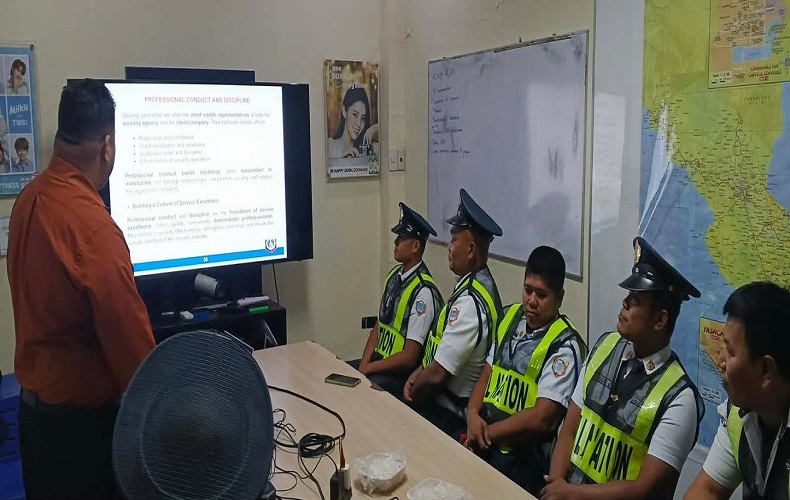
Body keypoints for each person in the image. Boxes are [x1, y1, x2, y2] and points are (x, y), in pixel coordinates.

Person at [7, 79, 155, 498]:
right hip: (83, 440)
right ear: (107, 147)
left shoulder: (27, 201)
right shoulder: (95, 232)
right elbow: (137, 363)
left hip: (34, 424)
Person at [543, 237, 704, 500]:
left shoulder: (678, 398)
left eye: (636, 299)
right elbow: (569, 429)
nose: (625, 303)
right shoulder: (604, 347)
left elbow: (644, 489)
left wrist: (570, 494)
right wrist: (558, 485)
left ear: (660, 319)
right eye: (628, 295)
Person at [465, 246, 587, 495]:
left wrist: (486, 433)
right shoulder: (509, 317)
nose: (531, 301)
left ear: (559, 298)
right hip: (486, 441)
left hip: (523, 461)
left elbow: (542, 418)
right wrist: (472, 413)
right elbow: (487, 373)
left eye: (541, 295)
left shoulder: (564, 346)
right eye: (527, 290)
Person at [404, 188, 503, 438]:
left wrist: (411, 398)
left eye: (453, 240)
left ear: (470, 250)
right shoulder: (473, 284)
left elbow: (437, 375)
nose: (448, 247)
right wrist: (419, 372)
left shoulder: (470, 303)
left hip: (451, 415)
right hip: (443, 403)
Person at [684, 282, 790, 500]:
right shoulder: (738, 414)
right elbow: (707, 490)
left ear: (766, 370)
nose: (720, 361)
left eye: (730, 352)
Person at [353, 202, 444, 398]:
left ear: (416, 246)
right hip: (378, 365)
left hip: (398, 377)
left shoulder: (423, 292)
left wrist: (370, 368)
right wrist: (363, 366)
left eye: (401, 238)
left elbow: (409, 357)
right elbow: (379, 327)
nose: (395, 242)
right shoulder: (394, 276)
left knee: (361, 395)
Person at [328, 83, 378, 159]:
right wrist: (341, 158)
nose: (358, 124)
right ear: (344, 111)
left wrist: (375, 128)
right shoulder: (328, 146)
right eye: (355, 115)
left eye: (363, 118)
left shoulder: (370, 148)